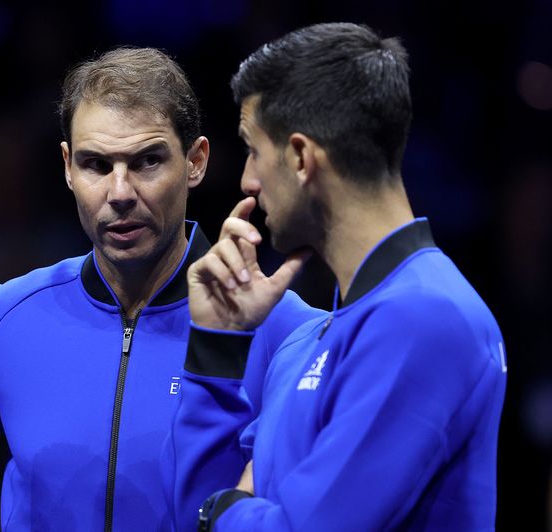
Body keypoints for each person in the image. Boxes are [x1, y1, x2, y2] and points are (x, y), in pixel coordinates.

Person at [0, 47, 322, 531]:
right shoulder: (1, 319)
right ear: (67, 167)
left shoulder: (289, 335)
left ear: (196, 162)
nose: (120, 193)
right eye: (96, 164)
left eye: (148, 161)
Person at [168, 22, 507, 531]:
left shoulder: (426, 317)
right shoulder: (305, 343)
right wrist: (217, 345)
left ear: (302, 158)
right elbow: (195, 512)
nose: (247, 181)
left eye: (252, 150)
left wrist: (226, 511)